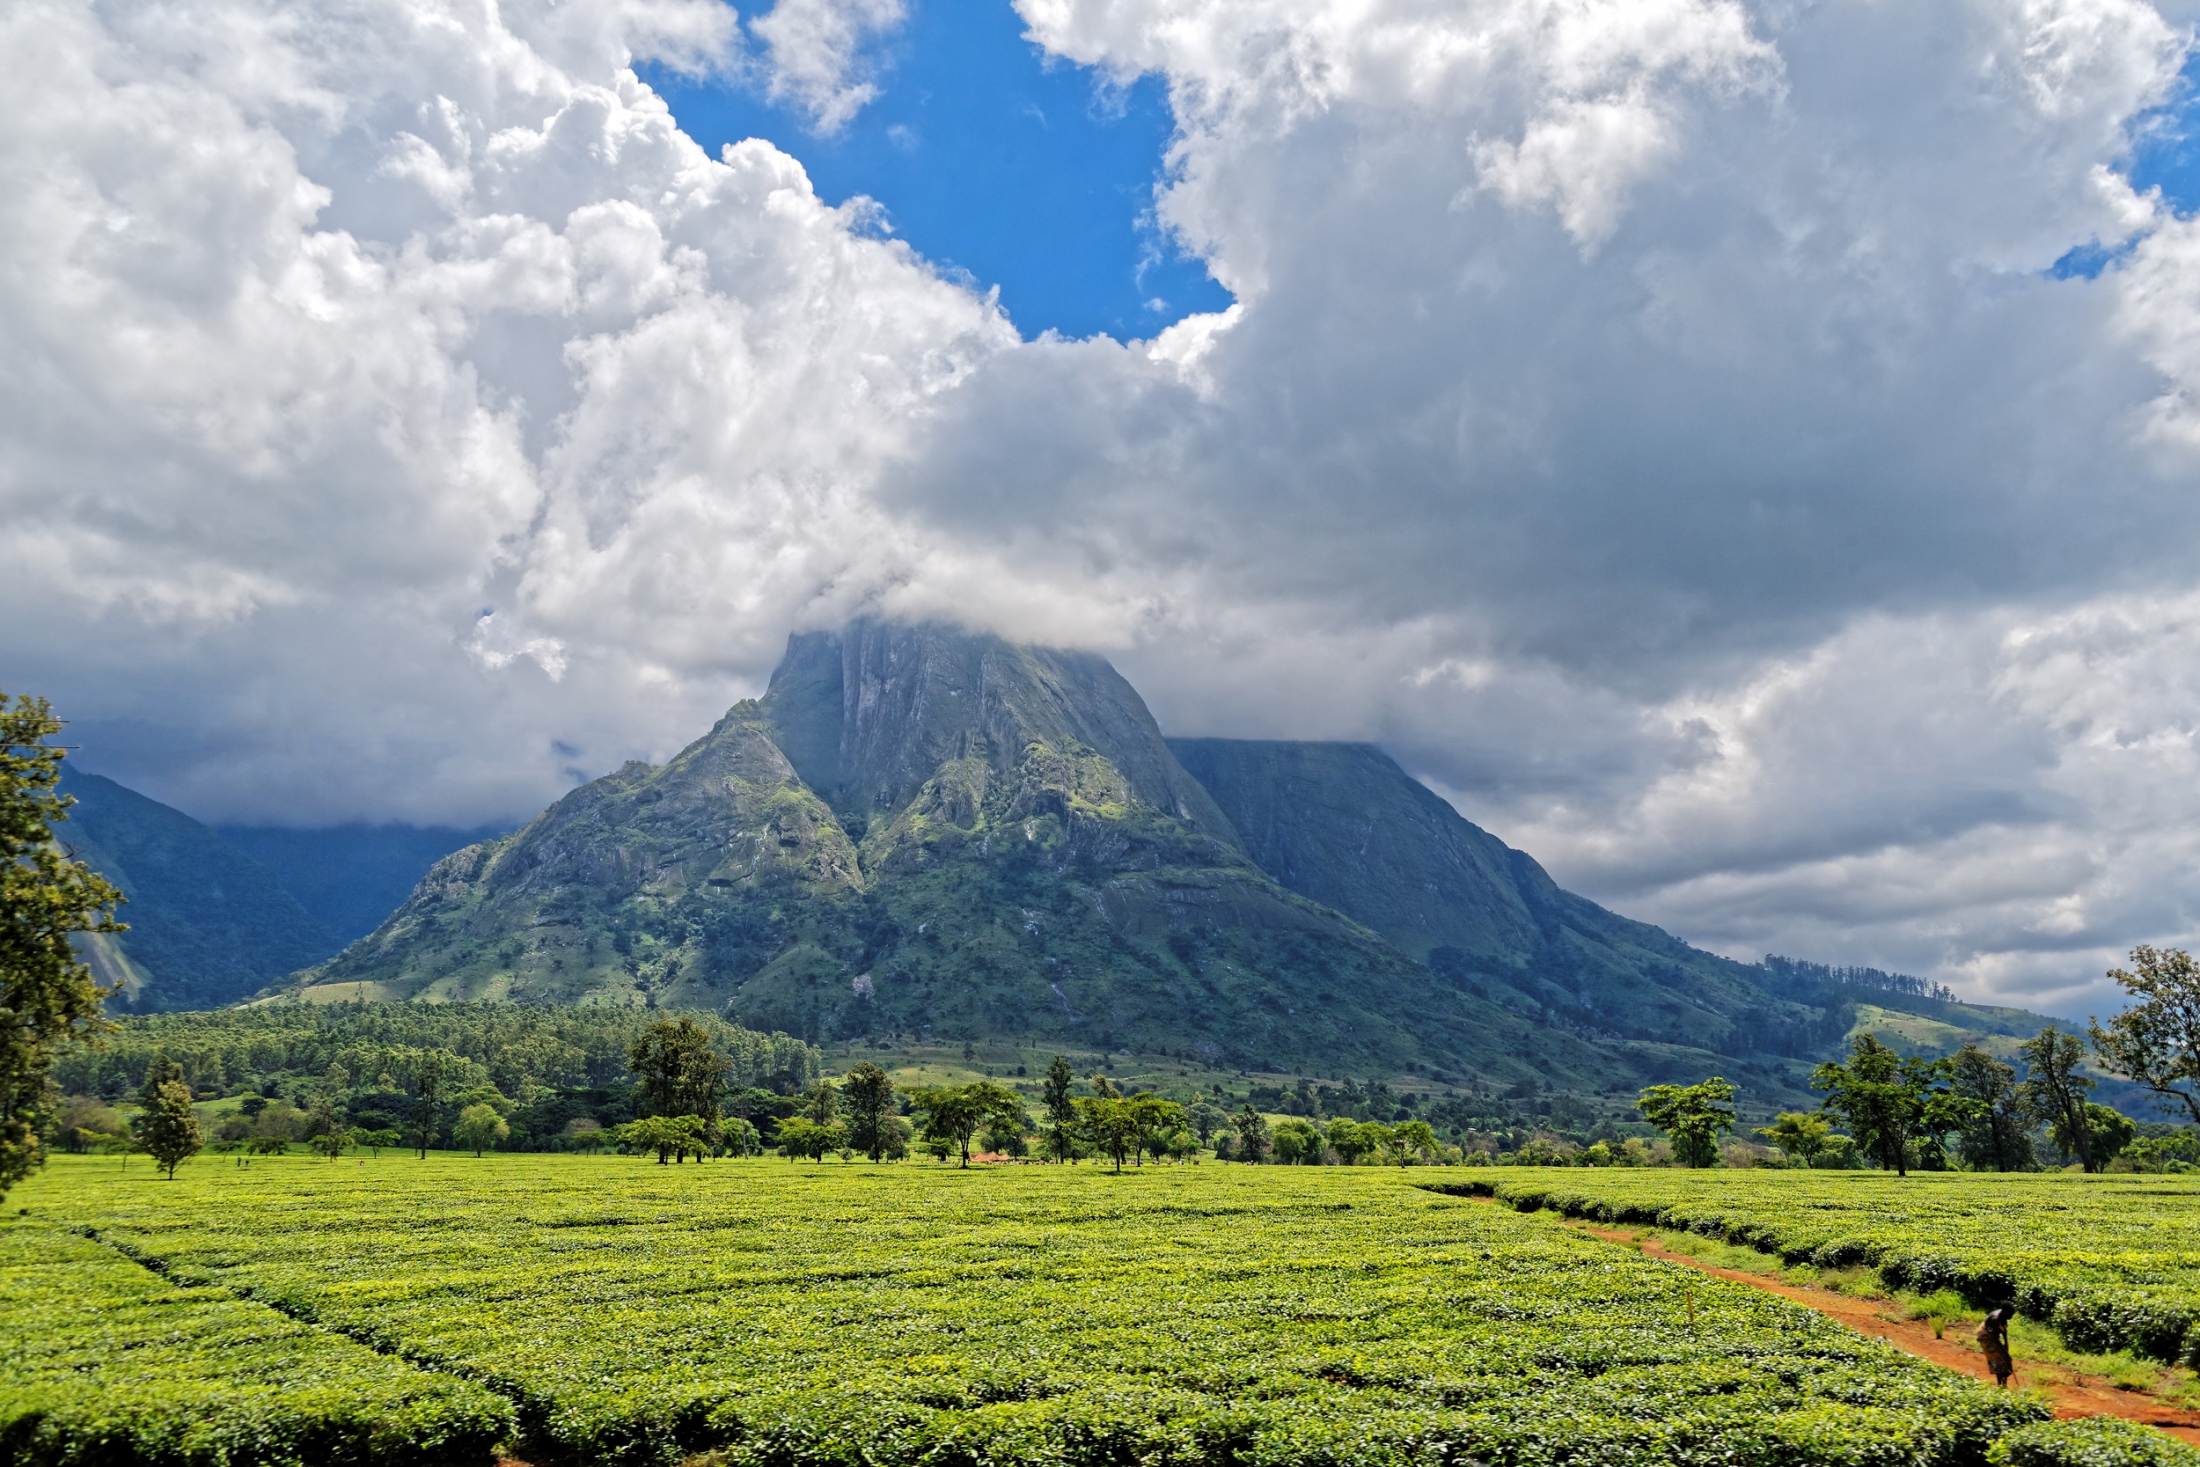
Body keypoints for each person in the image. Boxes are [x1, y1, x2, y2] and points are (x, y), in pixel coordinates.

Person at [1978, 1307, 2014, 1387]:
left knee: (2005, 1360)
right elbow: (1995, 1339)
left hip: (1993, 1335)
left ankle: (2004, 1383)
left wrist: (2006, 1345)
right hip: (1985, 1336)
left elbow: (2004, 1332)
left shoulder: (2003, 1317)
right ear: (2006, 1312)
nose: (2011, 1317)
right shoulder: (1995, 1319)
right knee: (1998, 1359)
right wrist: (2005, 1352)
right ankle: (2000, 1384)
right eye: (2011, 1314)